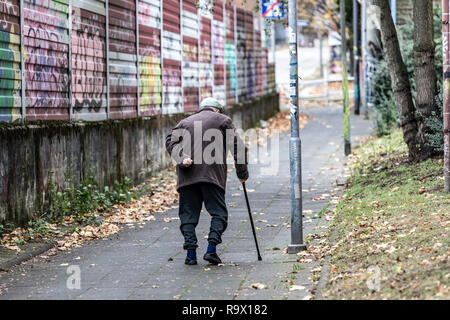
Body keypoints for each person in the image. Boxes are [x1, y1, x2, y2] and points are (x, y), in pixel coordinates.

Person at [165, 97, 249, 265]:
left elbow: (170, 141)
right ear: (217, 110)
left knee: (188, 215)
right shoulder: (223, 120)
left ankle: (190, 255)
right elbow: (238, 147)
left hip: (187, 176)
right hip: (212, 176)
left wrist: (182, 158)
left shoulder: (184, 122)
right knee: (218, 213)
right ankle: (211, 250)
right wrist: (242, 173)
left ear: (201, 109)